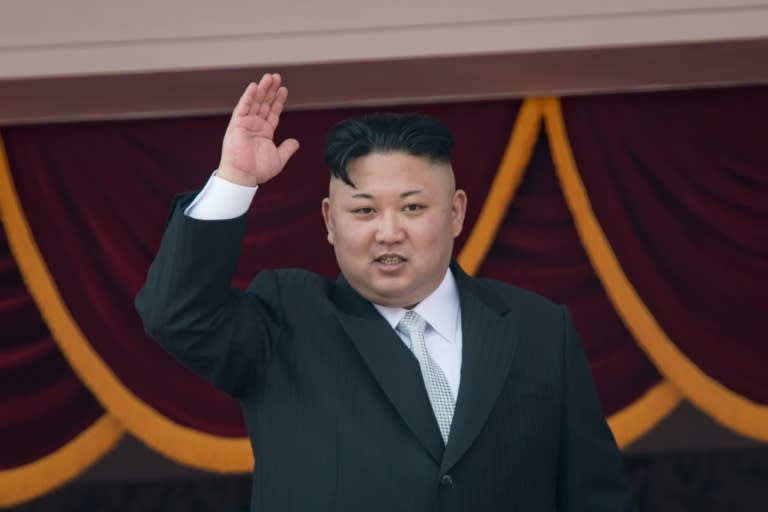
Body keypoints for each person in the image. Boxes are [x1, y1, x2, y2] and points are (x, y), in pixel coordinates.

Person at [136, 73, 637, 511]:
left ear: (457, 212)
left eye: (413, 208)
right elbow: (176, 314)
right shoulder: (287, 320)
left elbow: (596, 496)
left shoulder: (539, 329)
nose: (389, 232)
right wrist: (236, 179)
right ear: (330, 222)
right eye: (364, 211)